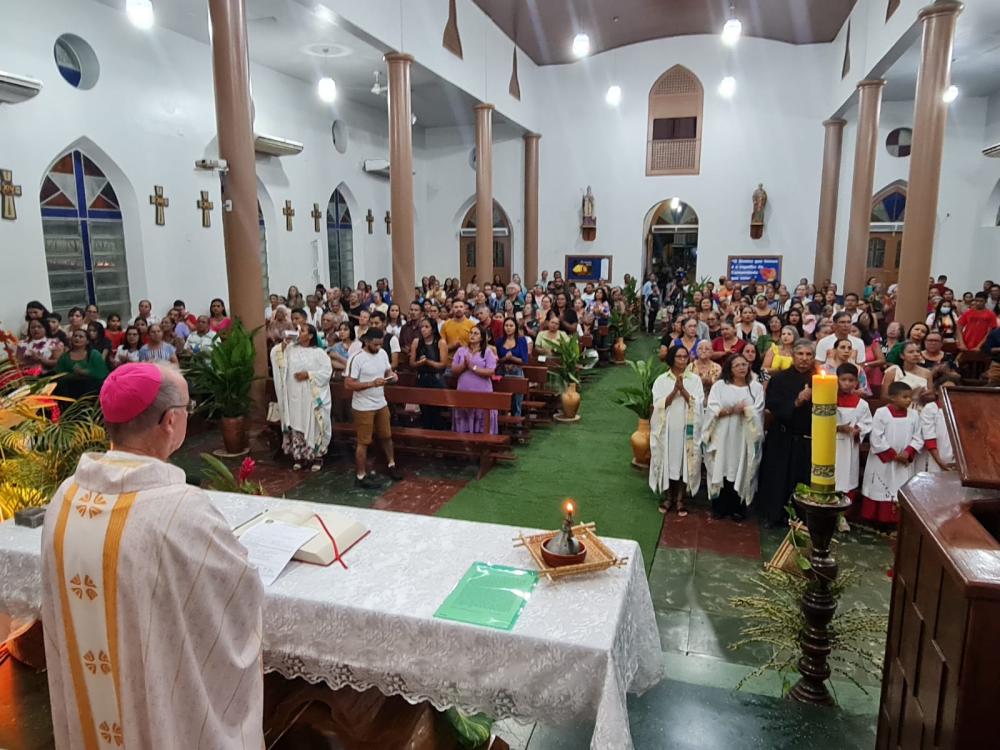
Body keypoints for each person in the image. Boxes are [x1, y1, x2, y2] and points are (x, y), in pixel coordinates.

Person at [40, 363, 264, 749]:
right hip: (158, 710)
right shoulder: (181, 511)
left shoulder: (65, 498)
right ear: (170, 421)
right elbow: (236, 598)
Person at [755, 339, 816, 528]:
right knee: (777, 477)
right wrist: (797, 402)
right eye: (801, 354)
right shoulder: (780, 378)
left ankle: (799, 517)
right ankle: (774, 514)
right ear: (792, 356)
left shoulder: (820, 380)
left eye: (809, 355)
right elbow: (773, 405)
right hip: (782, 435)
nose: (804, 359)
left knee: (801, 479)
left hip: (806, 438)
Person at [702, 353, 764, 521]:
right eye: (737, 365)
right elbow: (712, 409)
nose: (742, 368)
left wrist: (747, 410)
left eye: (744, 364)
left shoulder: (756, 388)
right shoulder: (720, 386)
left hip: (744, 436)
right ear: (730, 368)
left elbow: (758, 411)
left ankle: (738, 508)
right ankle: (719, 507)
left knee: (740, 467)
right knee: (721, 466)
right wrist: (732, 410)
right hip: (723, 434)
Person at [649, 345, 704, 516]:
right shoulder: (662, 380)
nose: (682, 360)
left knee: (683, 462)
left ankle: (681, 499)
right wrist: (674, 390)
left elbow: (698, 404)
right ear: (672, 359)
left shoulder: (694, 380)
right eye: (679, 357)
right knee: (668, 461)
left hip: (685, 429)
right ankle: (668, 498)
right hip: (668, 429)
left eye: (685, 357)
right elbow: (658, 405)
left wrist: (683, 390)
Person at [270, 323, 333, 471]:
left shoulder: (319, 352)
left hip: (312, 396)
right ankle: (299, 456)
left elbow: (326, 373)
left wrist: (308, 374)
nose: (299, 332)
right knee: (297, 425)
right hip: (295, 396)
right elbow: (276, 356)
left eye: (302, 330)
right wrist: (284, 345)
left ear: (311, 335)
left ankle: (317, 457)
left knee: (315, 425)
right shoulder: (291, 349)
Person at [346, 328, 403, 488]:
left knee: (386, 436)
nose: (378, 347)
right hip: (363, 406)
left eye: (380, 344)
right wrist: (372, 383)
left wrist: (392, 377)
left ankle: (391, 465)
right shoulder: (356, 358)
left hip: (380, 402)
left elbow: (387, 371)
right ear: (367, 341)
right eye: (375, 344)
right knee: (364, 441)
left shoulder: (383, 354)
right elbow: (348, 383)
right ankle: (360, 475)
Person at [861, 381, 923, 526]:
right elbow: (876, 437)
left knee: (900, 488)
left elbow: (919, 436)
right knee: (881, 487)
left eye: (910, 397)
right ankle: (878, 521)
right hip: (883, 461)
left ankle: (896, 522)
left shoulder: (914, 415)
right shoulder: (882, 413)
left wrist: (908, 452)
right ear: (893, 398)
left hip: (904, 462)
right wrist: (894, 455)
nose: (909, 400)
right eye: (905, 397)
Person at [834, 363, 873, 523]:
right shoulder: (829, 398)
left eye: (851, 380)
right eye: (843, 379)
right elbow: (820, 420)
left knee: (847, 478)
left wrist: (859, 430)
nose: (847, 383)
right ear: (837, 380)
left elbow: (867, 422)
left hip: (850, 446)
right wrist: (838, 427)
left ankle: (842, 516)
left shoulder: (862, 404)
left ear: (857, 382)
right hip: (832, 445)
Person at [451, 325, 499, 434]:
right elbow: (454, 370)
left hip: (482, 390)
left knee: (482, 415)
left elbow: (490, 371)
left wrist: (473, 367)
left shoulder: (487, 352)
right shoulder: (461, 350)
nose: (472, 335)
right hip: (464, 390)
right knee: (464, 414)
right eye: (471, 333)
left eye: (476, 333)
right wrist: (464, 365)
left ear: (482, 338)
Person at [919, 369, 960, 474]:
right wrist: (940, 462)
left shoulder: (961, 409)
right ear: (937, 391)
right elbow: (929, 437)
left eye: (952, 389)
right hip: (936, 457)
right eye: (945, 389)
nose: (948, 392)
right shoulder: (930, 408)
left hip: (957, 460)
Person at [410, 317, 448, 429]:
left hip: (436, 380)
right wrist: (420, 363)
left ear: (433, 329)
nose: (423, 329)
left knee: (436, 412)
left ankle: (438, 438)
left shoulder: (441, 342)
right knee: (424, 411)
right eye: (422, 327)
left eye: (426, 327)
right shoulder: (416, 342)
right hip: (422, 379)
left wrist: (428, 361)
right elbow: (412, 363)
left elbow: (443, 364)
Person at [496, 317, 529, 417]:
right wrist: (505, 358)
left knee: (517, 402)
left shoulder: (521, 340)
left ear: (515, 327)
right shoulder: (499, 341)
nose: (508, 328)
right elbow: (497, 360)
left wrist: (512, 358)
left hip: (517, 373)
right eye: (506, 325)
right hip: (502, 372)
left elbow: (524, 360)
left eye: (511, 326)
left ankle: (517, 424)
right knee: (502, 400)